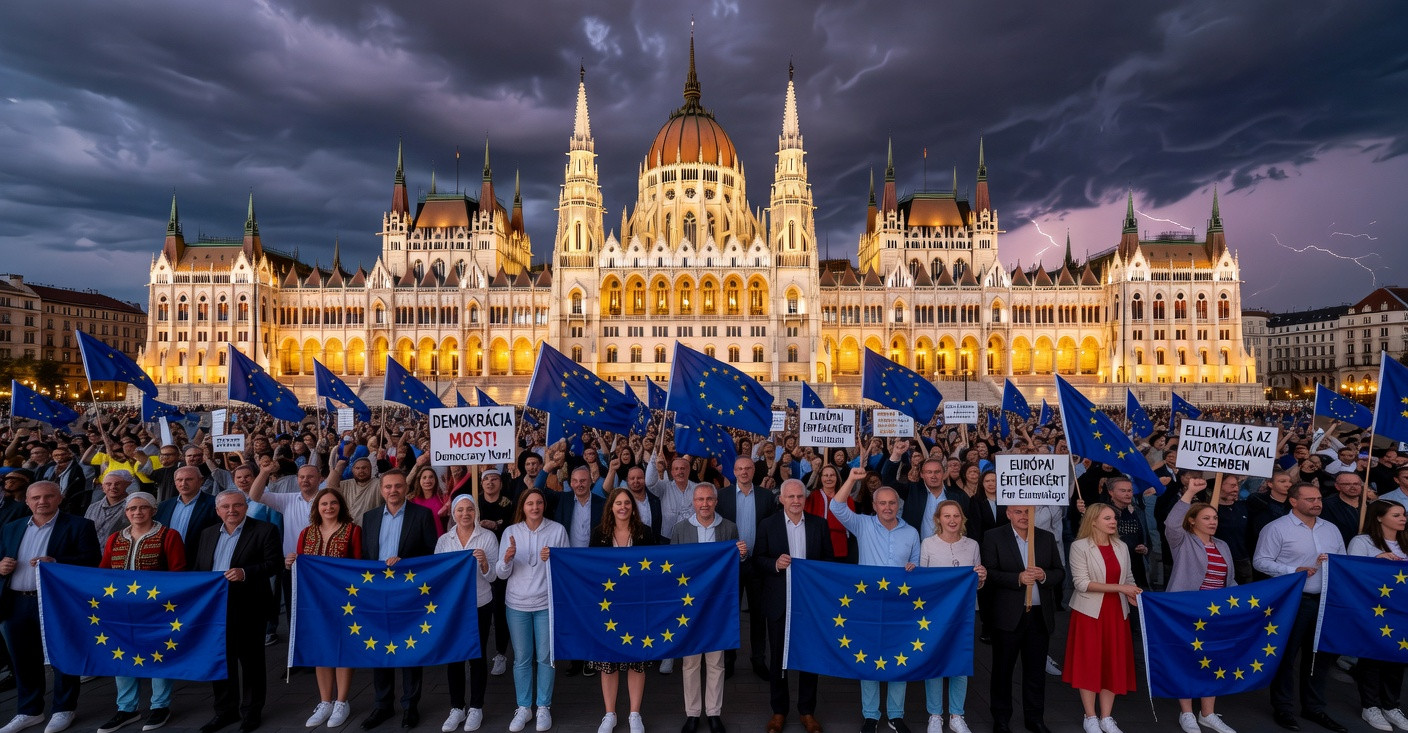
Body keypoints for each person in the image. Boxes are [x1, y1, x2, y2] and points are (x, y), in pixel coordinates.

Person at [0, 481, 101, 733]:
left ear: (60, 498)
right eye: (35, 498)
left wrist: (57, 562)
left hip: (57, 604)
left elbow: (92, 561)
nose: (41, 501)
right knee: (23, 659)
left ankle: (64, 708)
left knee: (62, 654)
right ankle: (29, 710)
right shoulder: (10, 527)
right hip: (16, 602)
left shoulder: (79, 525)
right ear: (27, 501)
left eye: (48, 496)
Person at [1253, 480, 1349, 732]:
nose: (1317, 503)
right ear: (1293, 501)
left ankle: (1314, 708)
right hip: (1294, 601)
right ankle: (1283, 708)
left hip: (1326, 602)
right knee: (1286, 657)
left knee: (1319, 658)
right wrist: (1291, 570)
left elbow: (1344, 561)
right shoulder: (1276, 528)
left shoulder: (1331, 529)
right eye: (1310, 499)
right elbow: (1260, 561)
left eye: (1318, 498)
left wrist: (1335, 563)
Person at [832, 466, 921, 733]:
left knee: (899, 657)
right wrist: (850, 479)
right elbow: (836, 508)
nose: (887, 507)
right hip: (868, 604)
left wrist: (913, 569)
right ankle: (871, 715)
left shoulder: (912, 533)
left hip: (899, 607)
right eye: (882, 503)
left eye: (892, 502)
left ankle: (895, 715)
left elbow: (916, 567)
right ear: (874, 505)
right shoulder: (863, 524)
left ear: (899, 505)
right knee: (868, 657)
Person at [96, 490, 187, 733]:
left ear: (153, 510)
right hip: (121, 610)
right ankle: (127, 708)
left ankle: (160, 706)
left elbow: (178, 572)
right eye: (132, 509)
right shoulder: (115, 538)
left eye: (143, 507)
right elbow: (104, 572)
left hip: (157, 609)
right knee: (121, 655)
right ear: (126, 513)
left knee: (158, 654)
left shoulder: (169, 535)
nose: (137, 512)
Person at [192, 489, 282, 733]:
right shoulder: (207, 533)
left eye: (237, 505)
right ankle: (225, 712)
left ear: (246, 507)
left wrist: (245, 573)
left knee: (251, 663)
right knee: (221, 662)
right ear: (217, 510)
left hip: (249, 606)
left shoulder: (265, 530)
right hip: (214, 610)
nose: (232, 510)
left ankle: (251, 713)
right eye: (226, 507)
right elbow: (200, 569)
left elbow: (274, 564)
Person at [359, 470, 439, 731]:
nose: (393, 490)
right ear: (381, 490)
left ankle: (410, 706)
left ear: (406, 488)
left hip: (408, 594)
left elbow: (431, 554)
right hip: (378, 595)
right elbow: (365, 557)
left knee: (408, 648)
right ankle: (382, 705)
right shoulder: (369, 518)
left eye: (398, 486)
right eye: (388, 487)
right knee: (379, 647)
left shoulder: (422, 515)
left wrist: (406, 565)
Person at [753, 479, 832, 733]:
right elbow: (758, 559)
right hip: (779, 601)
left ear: (805, 499)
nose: (796, 501)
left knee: (810, 657)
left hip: (809, 604)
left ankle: (807, 712)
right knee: (778, 659)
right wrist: (775, 564)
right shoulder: (768, 524)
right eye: (791, 497)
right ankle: (779, 711)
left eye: (800, 496)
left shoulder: (820, 525)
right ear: (782, 499)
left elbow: (828, 563)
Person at [668, 483, 748, 733]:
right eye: (700, 499)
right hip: (689, 607)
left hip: (717, 605)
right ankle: (692, 713)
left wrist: (741, 554)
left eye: (709, 499)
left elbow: (732, 564)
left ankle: (714, 712)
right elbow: (671, 567)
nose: (704, 504)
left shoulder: (728, 527)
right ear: (693, 502)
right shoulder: (680, 529)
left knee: (716, 662)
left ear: (716, 501)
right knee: (690, 662)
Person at [981, 505, 1064, 733]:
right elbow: (990, 572)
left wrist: (1044, 575)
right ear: (1008, 513)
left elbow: (1059, 571)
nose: (1023, 517)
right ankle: (1001, 719)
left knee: (1035, 672)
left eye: (1028, 512)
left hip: (1039, 616)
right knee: (1002, 671)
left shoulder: (1046, 537)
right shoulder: (993, 536)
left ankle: (1035, 718)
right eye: (1018, 512)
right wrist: (1017, 578)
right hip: (1008, 616)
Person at [1162, 484, 1238, 733]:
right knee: (1188, 660)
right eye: (1206, 518)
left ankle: (1208, 713)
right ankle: (1186, 713)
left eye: (1215, 517)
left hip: (1217, 614)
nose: (1213, 521)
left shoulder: (1223, 546)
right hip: (1188, 612)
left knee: (1213, 662)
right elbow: (1172, 523)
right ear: (1192, 521)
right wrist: (1189, 493)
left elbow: (1229, 580)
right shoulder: (1182, 540)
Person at [291, 488, 363, 729]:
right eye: (324, 504)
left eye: (333, 503)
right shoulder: (306, 533)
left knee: (342, 648)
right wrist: (291, 561)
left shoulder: (353, 531)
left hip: (344, 600)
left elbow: (359, 564)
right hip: (314, 602)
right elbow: (301, 564)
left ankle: (342, 701)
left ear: (340, 505)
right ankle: (325, 701)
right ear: (317, 508)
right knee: (320, 648)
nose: (329, 508)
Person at [497, 488, 568, 733]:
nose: (535, 507)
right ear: (523, 507)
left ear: (543, 505)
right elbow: (500, 573)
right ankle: (524, 707)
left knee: (546, 658)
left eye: (538, 503)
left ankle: (543, 707)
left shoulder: (557, 530)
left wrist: (555, 558)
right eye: (530, 504)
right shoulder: (510, 532)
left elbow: (566, 570)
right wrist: (507, 558)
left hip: (546, 603)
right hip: (516, 604)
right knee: (522, 659)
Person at [1064, 503, 1139, 733]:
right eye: (1107, 518)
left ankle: (1107, 717)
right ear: (1093, 521)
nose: (1113, 521)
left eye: (1113, 518)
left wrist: (1133, 593)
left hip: (1117, 612)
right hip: (1089, 613)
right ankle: (1090, 717)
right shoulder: (1079, 546)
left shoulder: (1121, 546)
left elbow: (1128, 577)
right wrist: (1121, 588)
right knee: (1090, 664)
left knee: (1112, 664)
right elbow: (1081, 583)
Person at [589, 488, 659, 733]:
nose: (623, 507)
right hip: (608, 607)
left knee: (636, 661)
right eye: (618, 503)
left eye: (627, 503)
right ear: (611, 506)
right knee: (608, 661)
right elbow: (590, 569)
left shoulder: (645, 533)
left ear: (633, 507)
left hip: (637, 605)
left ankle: (634, 714)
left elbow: (655, 570)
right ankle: (610, 714)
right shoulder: (599, 534)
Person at [435, 494, 499, 733]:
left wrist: (483, 564)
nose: (465, 514)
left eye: (469, 509)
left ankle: (476, 707)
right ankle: (456, 707)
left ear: (476, 512)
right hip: (453, 607)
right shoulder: (444, 540)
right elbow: (438, 573)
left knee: (477, 656)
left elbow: (494, 577)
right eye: (460, 510)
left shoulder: (488, 537)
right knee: (454, 656)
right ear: (453, 514)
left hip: (480, 603)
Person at [919, 500, 985, 733]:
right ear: (938, 519)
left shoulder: (973, 545)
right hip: (935, 615)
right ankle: (935, 714)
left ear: (962, 518)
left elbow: (975, 584)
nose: (952, 520)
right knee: (935, 661)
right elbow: (922, 582)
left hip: (962, 614)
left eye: (956, 515)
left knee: (959, 662)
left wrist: (981, 577)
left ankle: (957, 714)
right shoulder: (927, 544)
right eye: (947, 516)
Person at [1348, 500, 1408, 732]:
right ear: (1380, 518)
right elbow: (1351, 571)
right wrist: (1376, 562)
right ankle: (1370, 705)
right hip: (1372, 609)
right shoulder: (1362, 541)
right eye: (1397, 515)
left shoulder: (1405, 541)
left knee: (1397, 656)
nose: (1403, 518)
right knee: (1373, 657)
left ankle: (1391, 705)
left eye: (1403, 514)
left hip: (1401, 611)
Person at [716, 454, 777, 680]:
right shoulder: (722, 497)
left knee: (759, 615)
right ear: (734, 472)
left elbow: (771, 527)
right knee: (730, 613)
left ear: (753, 471)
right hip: (730, 564)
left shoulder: (765, 496)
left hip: (758, 563)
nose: (744, 472)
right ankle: (729, 660)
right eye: (740, 468)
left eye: (748, 468)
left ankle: (759, 659)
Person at [554, 465, 605, 678]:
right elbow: (557, 528)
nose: (579, 485)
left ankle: (592, 657)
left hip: (594, 566)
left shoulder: (602, 503)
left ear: (590, 481)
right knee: (573, 613)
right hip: (569, 567)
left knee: (594, 611)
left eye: (583, 481)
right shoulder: (564, 500)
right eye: (575, 481)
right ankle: (576, 658)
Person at [155, 466, 219, 547]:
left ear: (201, 480)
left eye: (189, 479)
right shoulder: (164, 506)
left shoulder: (214, 503)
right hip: (167, 556)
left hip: (197, 557)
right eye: (179, 480)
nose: (183, 483)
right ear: (175, 482)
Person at [803, 463, 854, 563]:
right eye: (825, 475)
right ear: (820, 478)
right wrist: (814, 473)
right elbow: (804, 493)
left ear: (837, 477)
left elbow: (851, 522)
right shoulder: (813, 496)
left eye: (832, 475)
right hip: (817, 543)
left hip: (839, 545)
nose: (829, 478)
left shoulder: (846, 497)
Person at [85, 470, 135, 542]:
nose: (113, 487)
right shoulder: (92, 507)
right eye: (108, 484)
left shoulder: (133, 507)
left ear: (127, 485)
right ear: (103, 487)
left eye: (117, 484)